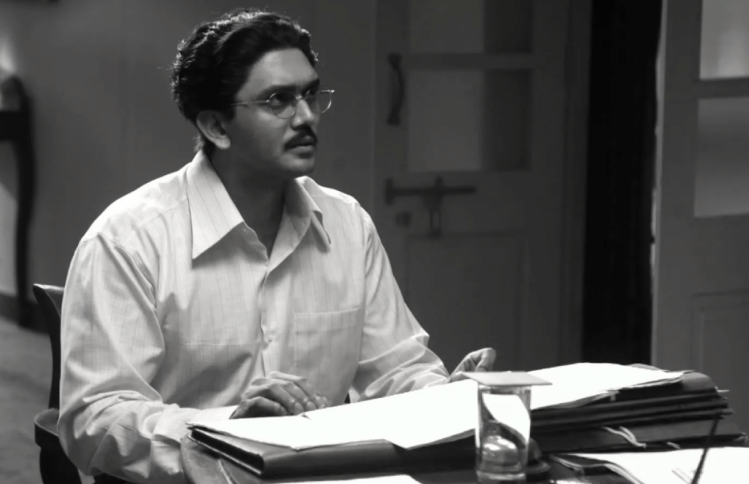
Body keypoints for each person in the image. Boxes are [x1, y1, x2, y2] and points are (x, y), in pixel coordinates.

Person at [58, 8, 496, 484]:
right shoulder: (129, 239)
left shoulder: (348, 224)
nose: (306, 117)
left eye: (310, 94)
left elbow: (394, 369)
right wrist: (226, 433)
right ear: (216, 127)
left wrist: (444, 395)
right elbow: (95, 417)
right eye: (278, 101)